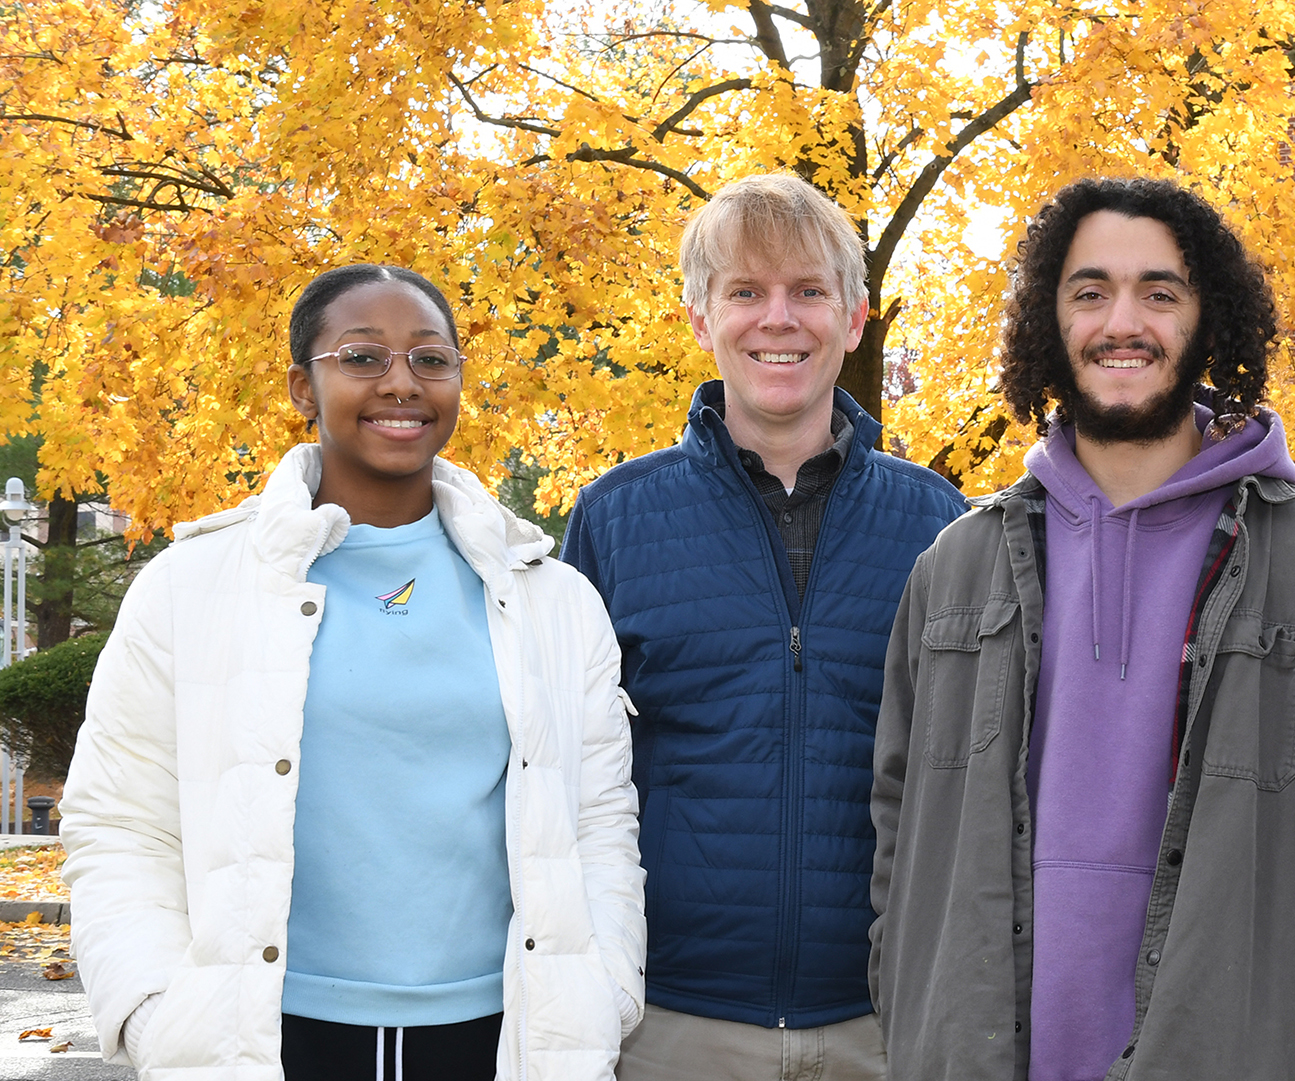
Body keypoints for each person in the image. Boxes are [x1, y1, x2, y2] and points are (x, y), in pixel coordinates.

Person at [869, 176, 1295, 1080]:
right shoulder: (956, 565)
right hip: (978, 1051)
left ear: (1209, 321)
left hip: (1226, 1050)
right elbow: (898, 809)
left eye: (1159, 293)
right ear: (1052, 322)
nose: (1122, 321)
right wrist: (907, 983)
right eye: (1090, 292)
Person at [61, 264, 646, 1080]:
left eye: (431, 359)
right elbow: (120, 824)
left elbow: (601, 826)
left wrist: (608, 987)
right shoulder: (190, 586)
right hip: (266, 1036)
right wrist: (156, 1010)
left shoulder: (552, 598)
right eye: (363, 357)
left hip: (505, 1035)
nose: (401, 382)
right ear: (304, 386)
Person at [560, 174, 967, 1080]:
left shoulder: (940, 521)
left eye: (809, 291)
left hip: (887, 1018)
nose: (777, 318)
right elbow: (557, 765)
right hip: (669, 1020)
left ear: (855, 318)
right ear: (702, 319)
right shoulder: (615, 519)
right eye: (745, 291)